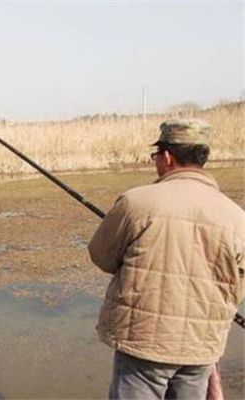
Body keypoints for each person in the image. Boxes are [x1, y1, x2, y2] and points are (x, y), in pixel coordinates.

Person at [88, 119, 245, 399]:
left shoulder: (137, 202)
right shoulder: (237, 217)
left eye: (155, 156)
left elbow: (101, 256)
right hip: (201, 347)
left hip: (144, 343)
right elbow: (238, 284)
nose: (155, 162)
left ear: (168, 157)